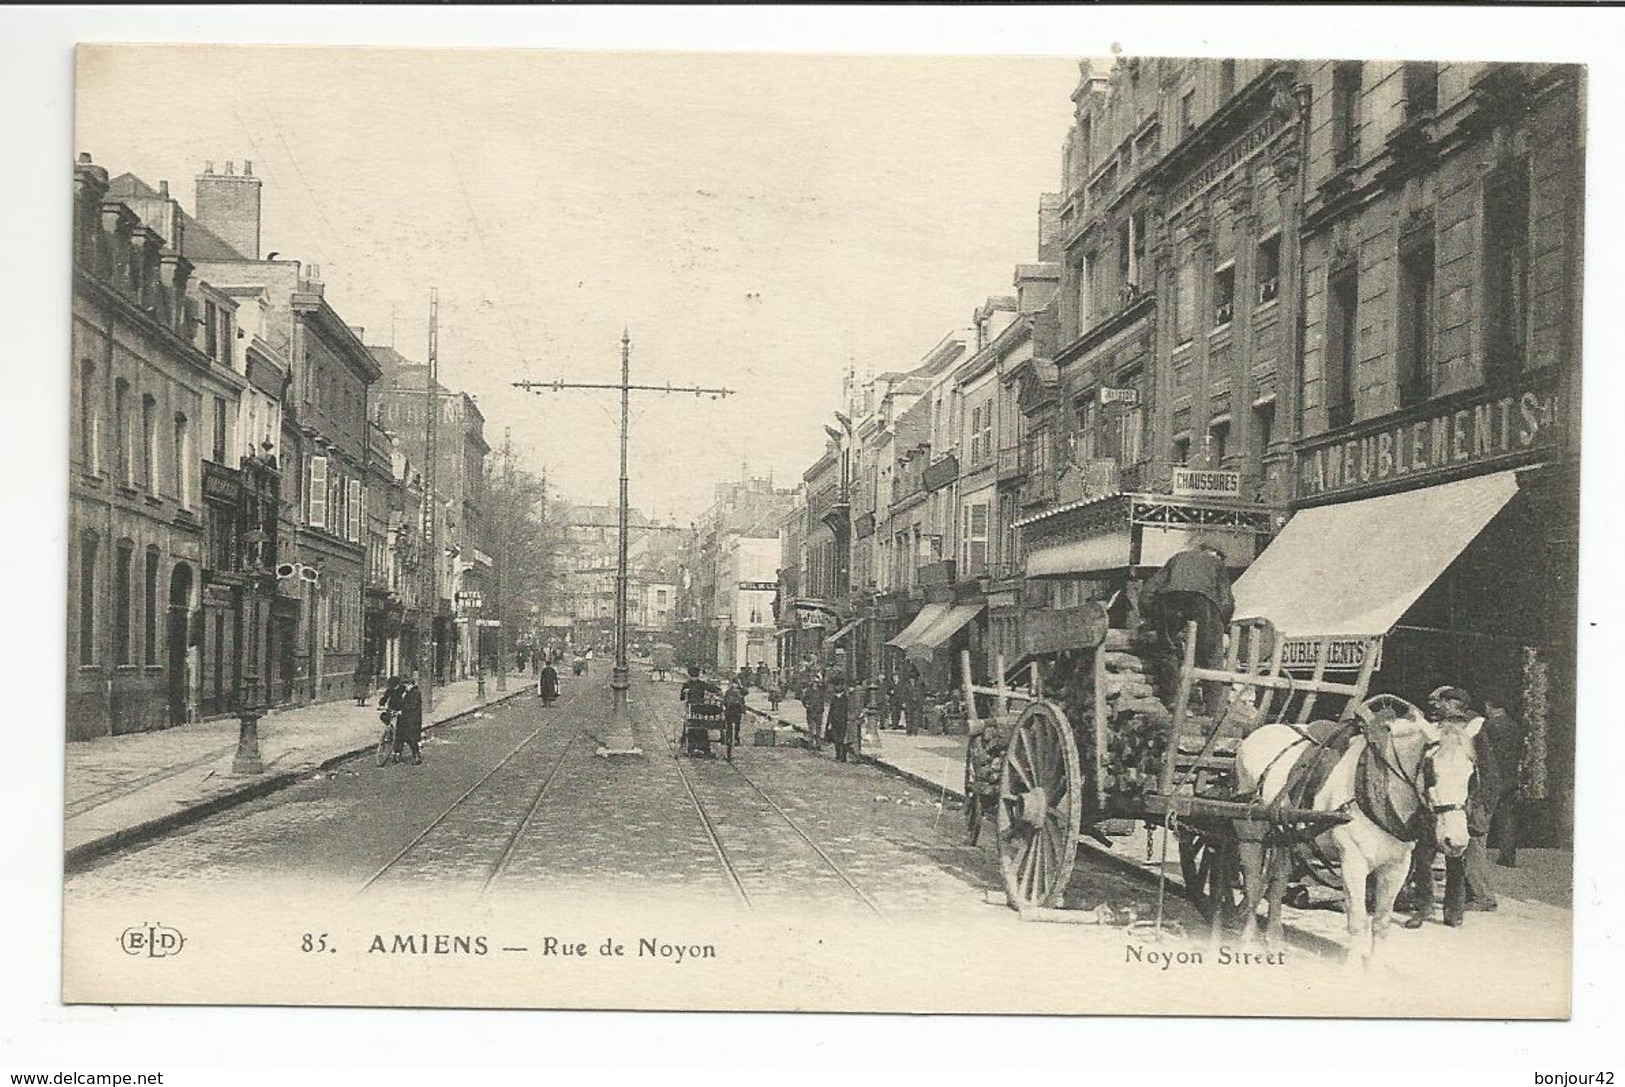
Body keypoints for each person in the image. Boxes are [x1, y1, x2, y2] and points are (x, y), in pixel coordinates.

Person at [1402, 686, 1493, 928]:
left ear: (1456, 706)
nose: (1440, 708)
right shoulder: (1435, 731)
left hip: (1459, 805)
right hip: (1434, 804)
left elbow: (1484, 773)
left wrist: (1478, 805)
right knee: (1423, 857)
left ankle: (1453, 910)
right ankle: (1424, 907)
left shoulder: (1473, 732)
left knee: (1455, 859)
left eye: (1445, 704)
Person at [1141, 539, 1235, 713]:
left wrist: (1153, 617)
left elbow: (1148, 591)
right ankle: (1214, 707)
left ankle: (1172, 700)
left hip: (1169, 600)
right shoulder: (1216, 563)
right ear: (1217, 555)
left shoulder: (1177, 557)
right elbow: (1226, 601)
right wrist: (1223, 624)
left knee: (1167, 649)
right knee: (1211, 655)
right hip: (1203, 602)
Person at [1483, 696, 1527, 868]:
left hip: (1491, 778)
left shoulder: (1488, 727)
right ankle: (1507, 856)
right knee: (1507, 817)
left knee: (1484, 817)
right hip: (1509, 778)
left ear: (1489, 705)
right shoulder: (1515, 726)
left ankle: (1478, 855)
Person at [390, 673, 425, 765]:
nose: (406, 687)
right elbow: (402, 704)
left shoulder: (416, 693)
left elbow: (412, 706)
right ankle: (397, 755)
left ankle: (416, 756)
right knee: (399, 737)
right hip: (404, 720)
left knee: (411, 739)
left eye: (407, 685)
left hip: (412, 720)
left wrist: (402, 711)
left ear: (411, 685)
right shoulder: (407, 693)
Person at [825, 673, 853, 762]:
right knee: (836, 738)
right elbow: (831, 710)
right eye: (836, 686)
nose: (837, 688)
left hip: (843, 720)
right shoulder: (834, 698)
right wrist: (828, 722)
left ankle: (844, 756)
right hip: (835, 720)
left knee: (843, 739)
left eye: (839, 685)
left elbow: (848, 709)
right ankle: (838, 754)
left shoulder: (846, 698)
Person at [802, 673, 827, 749]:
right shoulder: (808, 691)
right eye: (813, 682)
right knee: (811, 728)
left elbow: (823, 699)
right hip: (811, 711)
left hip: (819, 711)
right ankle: (811, 743)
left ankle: (818, 744)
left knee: (818, 728)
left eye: (816, 682)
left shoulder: (821, 690)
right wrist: (806, 705)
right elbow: (804, 700)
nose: (815, 683)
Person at [723, 679, 747, 746]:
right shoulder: (728, 692)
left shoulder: (741, 691)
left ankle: (736, 739)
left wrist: (741, 686)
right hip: (730, 710)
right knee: (729, 726)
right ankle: (729, 738)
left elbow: (746, 692)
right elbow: (725, 700)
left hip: (737, 710)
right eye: (733, 683)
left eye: (736, 683)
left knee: (737, 726)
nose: (734, 685)